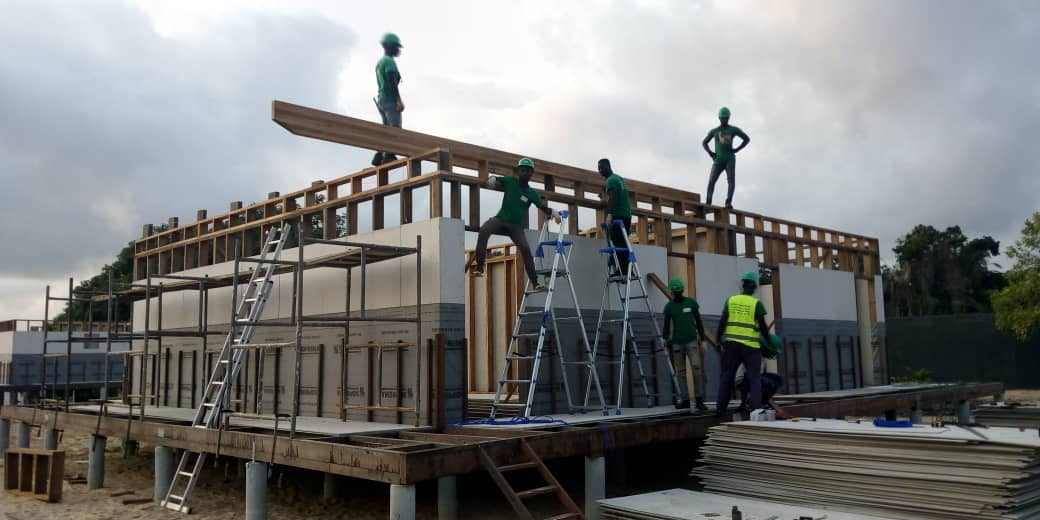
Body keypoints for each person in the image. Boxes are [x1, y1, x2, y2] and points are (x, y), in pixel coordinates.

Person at [471, 158, 561, 290]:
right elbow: (497, 179)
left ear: (531, 174)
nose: (525, 173)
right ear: (518, 171)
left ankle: (535, 283)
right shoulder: (511, 181)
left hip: (515, 227)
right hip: (500, 219)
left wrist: (553, 212)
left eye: (528, 171)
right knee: (484, 230)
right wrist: (492, 179)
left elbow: (542, 207)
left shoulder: (531, 193)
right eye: (522, 170)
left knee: (525, 249)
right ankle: (480, 267)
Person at [714, 271, 771, 417]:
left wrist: (717, 339)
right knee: (754, 378)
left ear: (743, 285)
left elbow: (722, 321)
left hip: (731, 345)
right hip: (751, 347)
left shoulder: (731, 300)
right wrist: (769, 341)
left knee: (727, 376)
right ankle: (756, 411)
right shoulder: (756, 304)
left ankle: (720, 409)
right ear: (754, 287)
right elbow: (763, 327)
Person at [661, 277, 712, 411]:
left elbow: (699, 322)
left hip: (691, 341)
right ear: (673, 292)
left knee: (696, 368)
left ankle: (699, 400)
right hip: (677, 343)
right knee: (681, 373)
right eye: (676, 291)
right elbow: (666, 325)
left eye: (678, 291)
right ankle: (685, 400)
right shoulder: (669, 307)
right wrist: (664, 340)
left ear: (681, 291)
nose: (677, 293)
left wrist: (703, 340)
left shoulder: (691, 303)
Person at [702, 107, 750, 208]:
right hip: (718, 160)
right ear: (719, 118)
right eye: (723, 118)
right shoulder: (714, 131)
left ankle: (728, 202)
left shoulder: (733, 130)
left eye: (726, 118)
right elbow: (704, 142)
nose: (724, 120)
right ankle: (708, 203)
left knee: (731, 181)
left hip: (729, 159)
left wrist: (737, 149)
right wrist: (710, 153)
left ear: (729, 118)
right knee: (711, 181)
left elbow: (746, 139)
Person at [372, 32, 404, 166]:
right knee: (395, 128)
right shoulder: (389, 61)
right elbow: (391, 81)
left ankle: (379, 156)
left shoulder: (380, 62)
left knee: (385, 129)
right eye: (396, 47)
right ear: (389, 46)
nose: (398, 49)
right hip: (390, 99)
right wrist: (398, 100)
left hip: (382, 99)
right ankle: (389, 155)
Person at [598, 158, 633, 277]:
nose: (600, 171)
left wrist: (609, 215)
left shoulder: (611, 180)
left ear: (608, 166)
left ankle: (623, 271)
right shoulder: (618, 178)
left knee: (618, 243)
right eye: (599, 169)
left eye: (601, 168)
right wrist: (605, 200)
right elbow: (616, 197)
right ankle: (628, 270)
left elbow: (613, 198)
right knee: (623, 244)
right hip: (626, 216)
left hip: (618, 216)